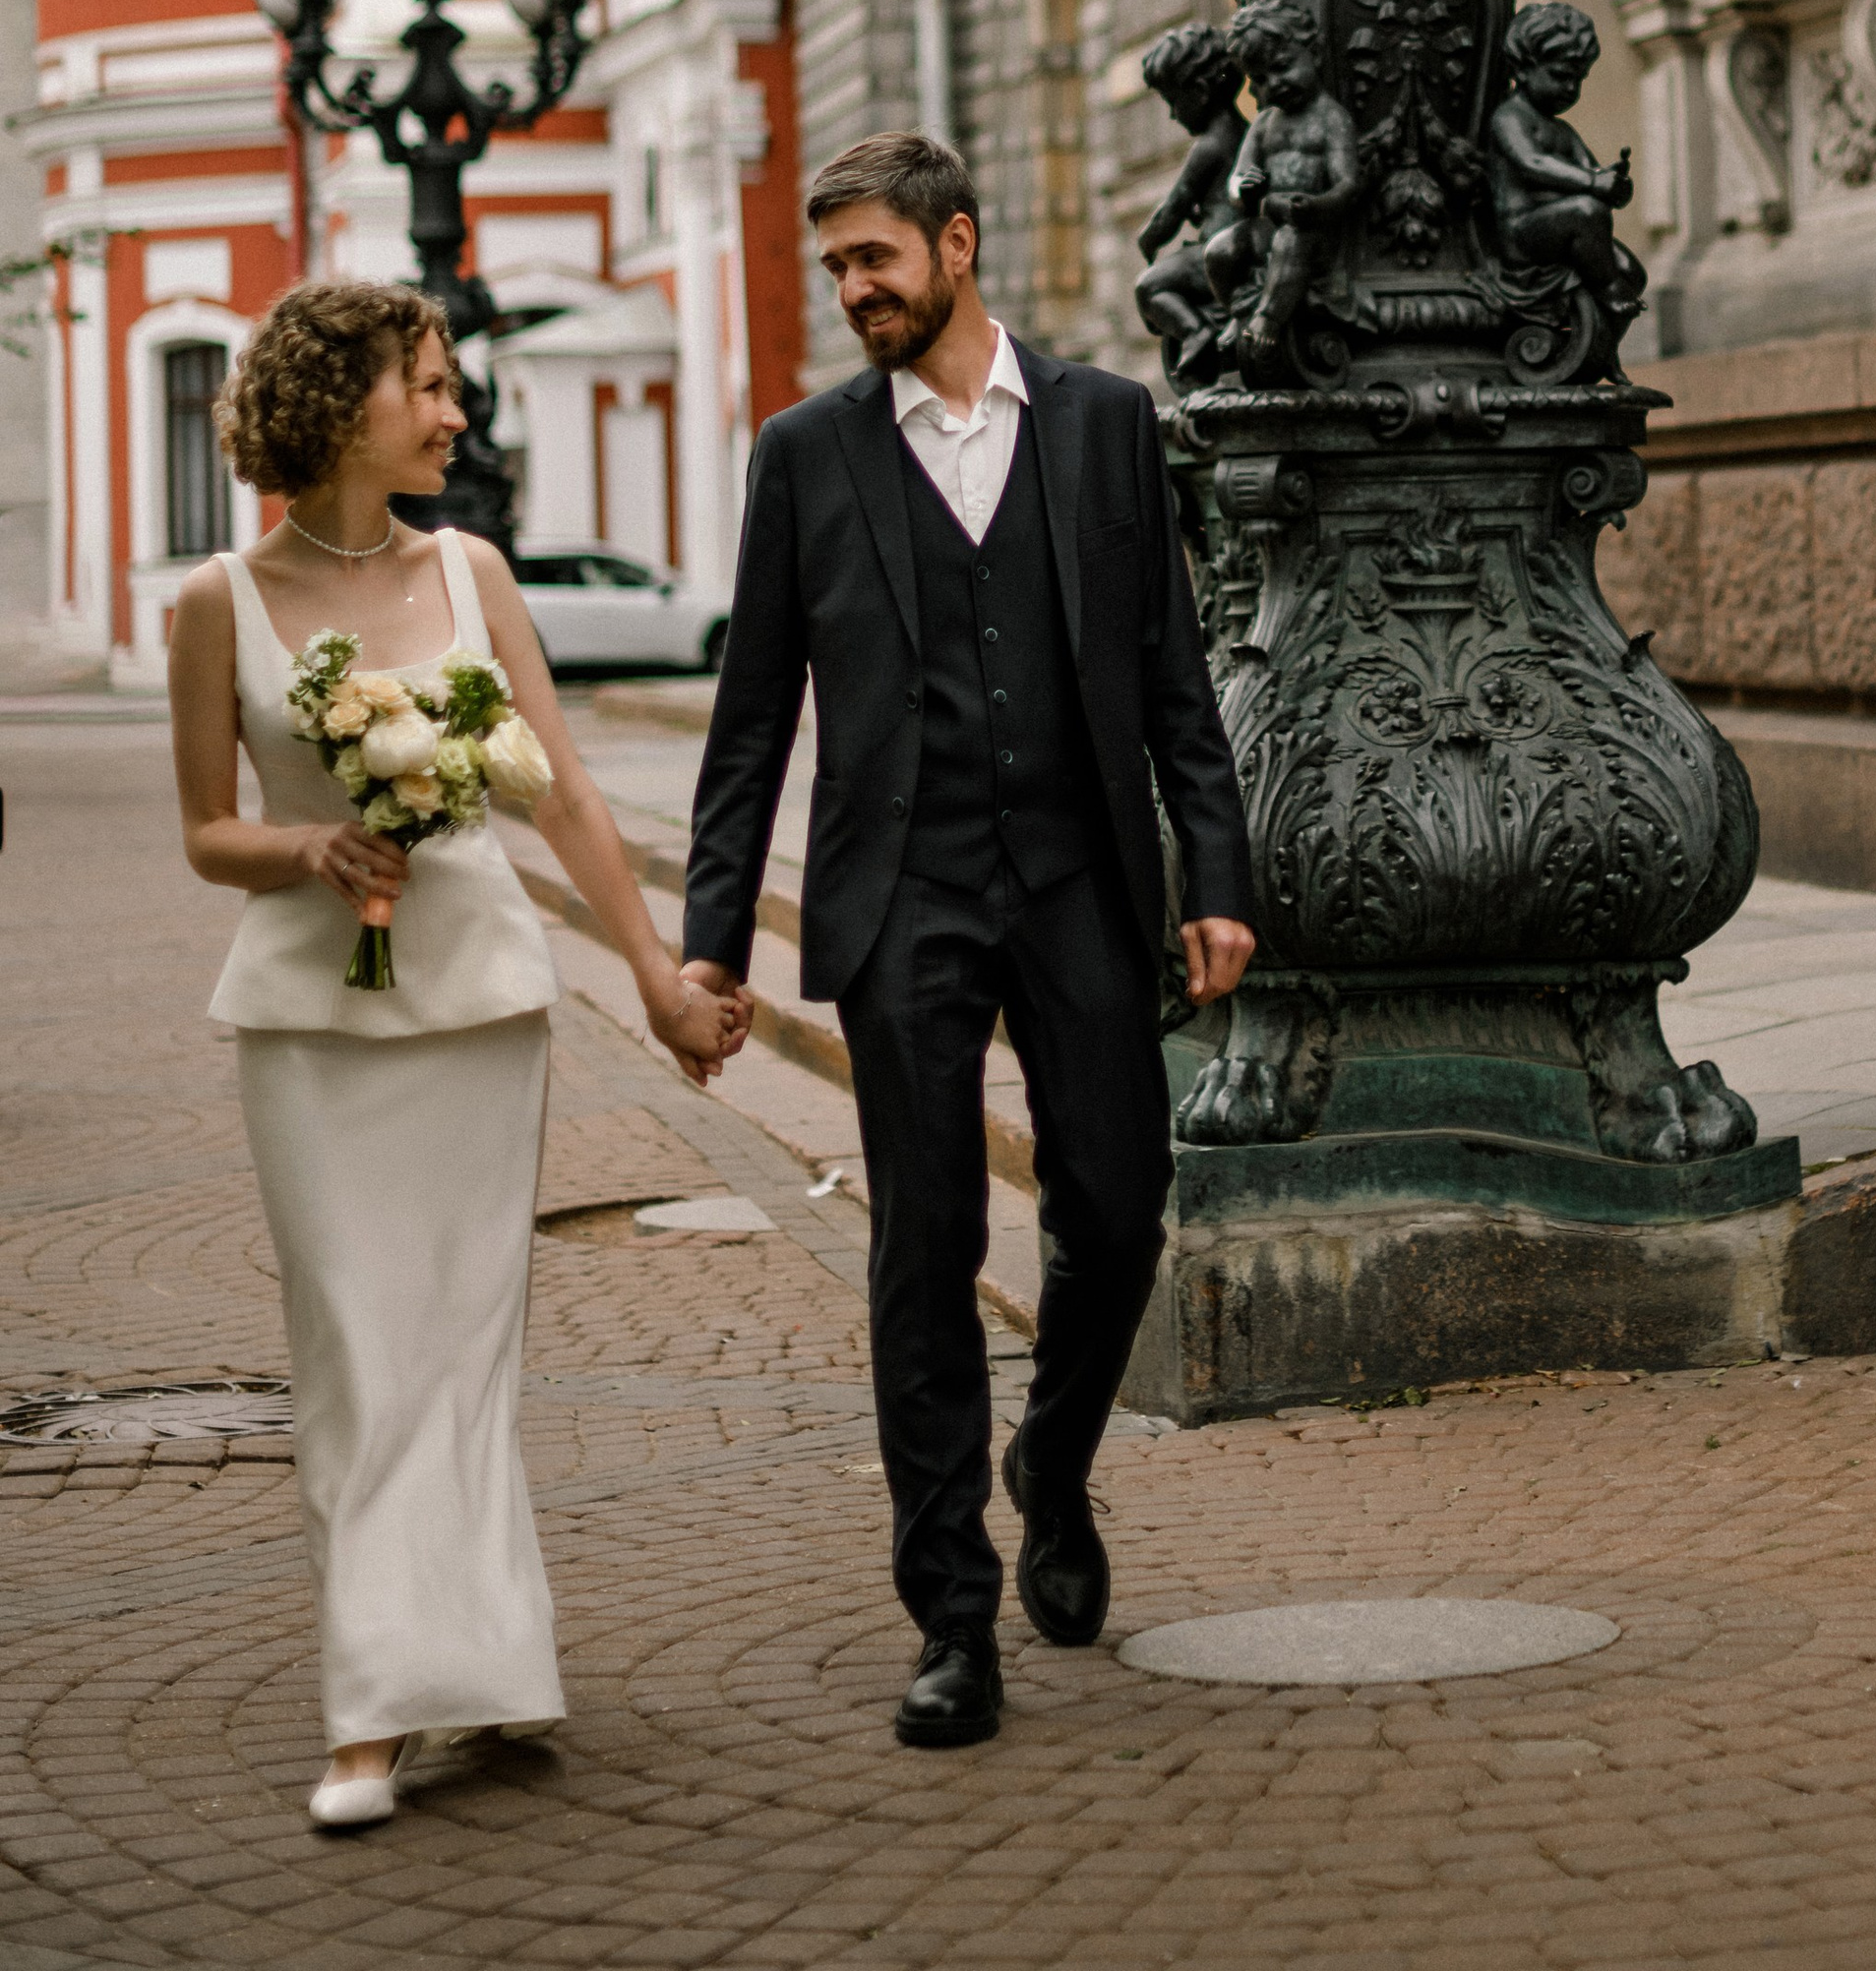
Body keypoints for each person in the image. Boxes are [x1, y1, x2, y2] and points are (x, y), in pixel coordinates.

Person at [682, 131, 1256, 1752]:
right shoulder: (806, 455)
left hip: (1080, 875)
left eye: (876, 259)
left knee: (1120, 1207)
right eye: (837, 268)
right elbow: (749, 724)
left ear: (957, 241)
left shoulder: (1103, 427)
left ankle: (1052, 1465)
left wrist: (1213, 872)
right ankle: (950, 1614)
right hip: (901, 896)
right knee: (921, 1252)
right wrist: (711, 942)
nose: (854, 290)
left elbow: (1172, 681)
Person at [168, 283, 750, 1832]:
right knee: (358, 1348)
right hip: (310, 1022)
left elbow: (559, 799)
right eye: (428, 387)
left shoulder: (475, 570)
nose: (453, 415)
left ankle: (481, 1665)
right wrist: (310, 846)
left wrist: (657, 978)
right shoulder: (217, 596)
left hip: (480, 1010)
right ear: (346, 402)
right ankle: (373, 1707)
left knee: (461, 1349)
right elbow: (206, 831)